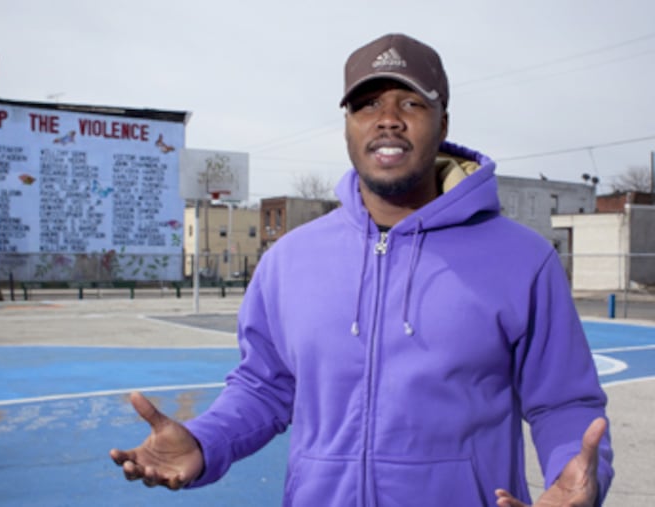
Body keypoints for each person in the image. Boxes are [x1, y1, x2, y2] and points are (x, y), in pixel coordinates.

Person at [110, 33, 614, 506]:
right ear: (348, 123)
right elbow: (265, 386)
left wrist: (575, 478)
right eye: (367, 104)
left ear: (444, 123)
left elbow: (564, 403)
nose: (388, 119)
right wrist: (205, 440)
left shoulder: (523, 259)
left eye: (411, 103)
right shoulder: (290, 258)